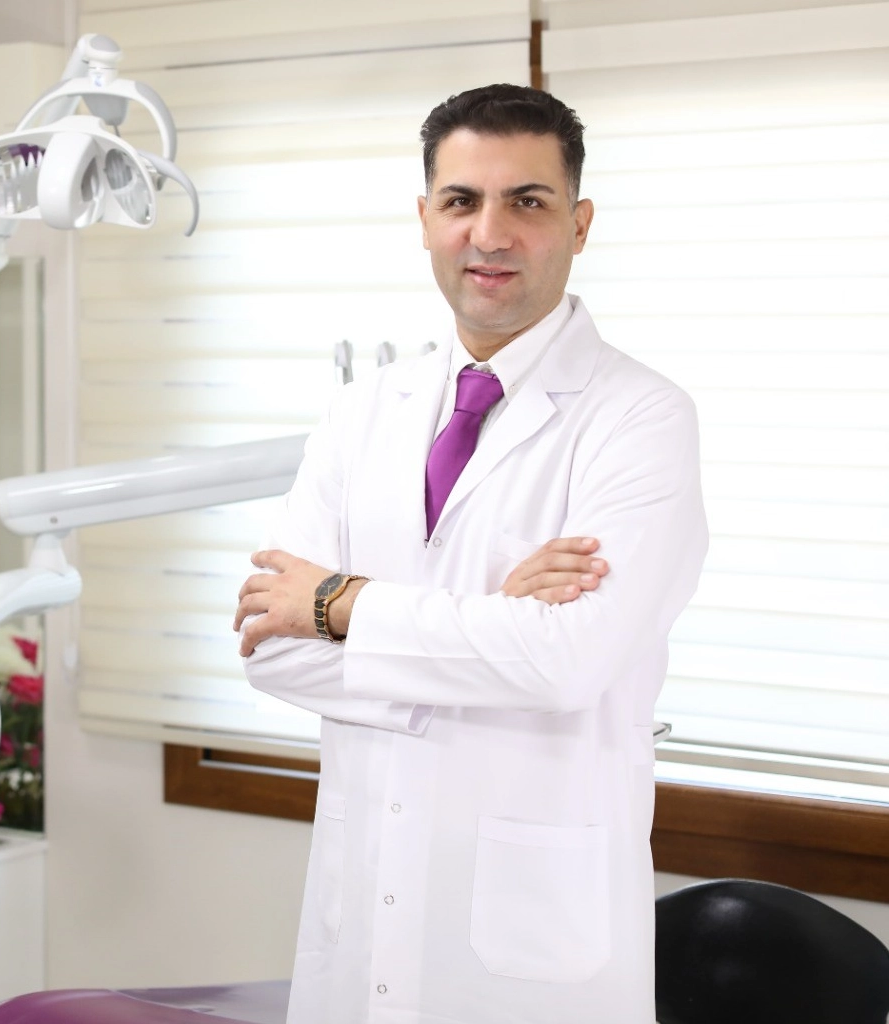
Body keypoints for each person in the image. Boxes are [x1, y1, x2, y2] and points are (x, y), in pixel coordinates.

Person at [234, 84, 708, 1023]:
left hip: (533, 963)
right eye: (462, 201)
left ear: (579, 224)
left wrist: (341, 606)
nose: (490, 234)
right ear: (424, 219)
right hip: (359, 931)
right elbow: (268, 646)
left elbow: (567, 663)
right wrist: (494, 625)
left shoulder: (642, 418)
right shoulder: (362, 412)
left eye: (527, 201)